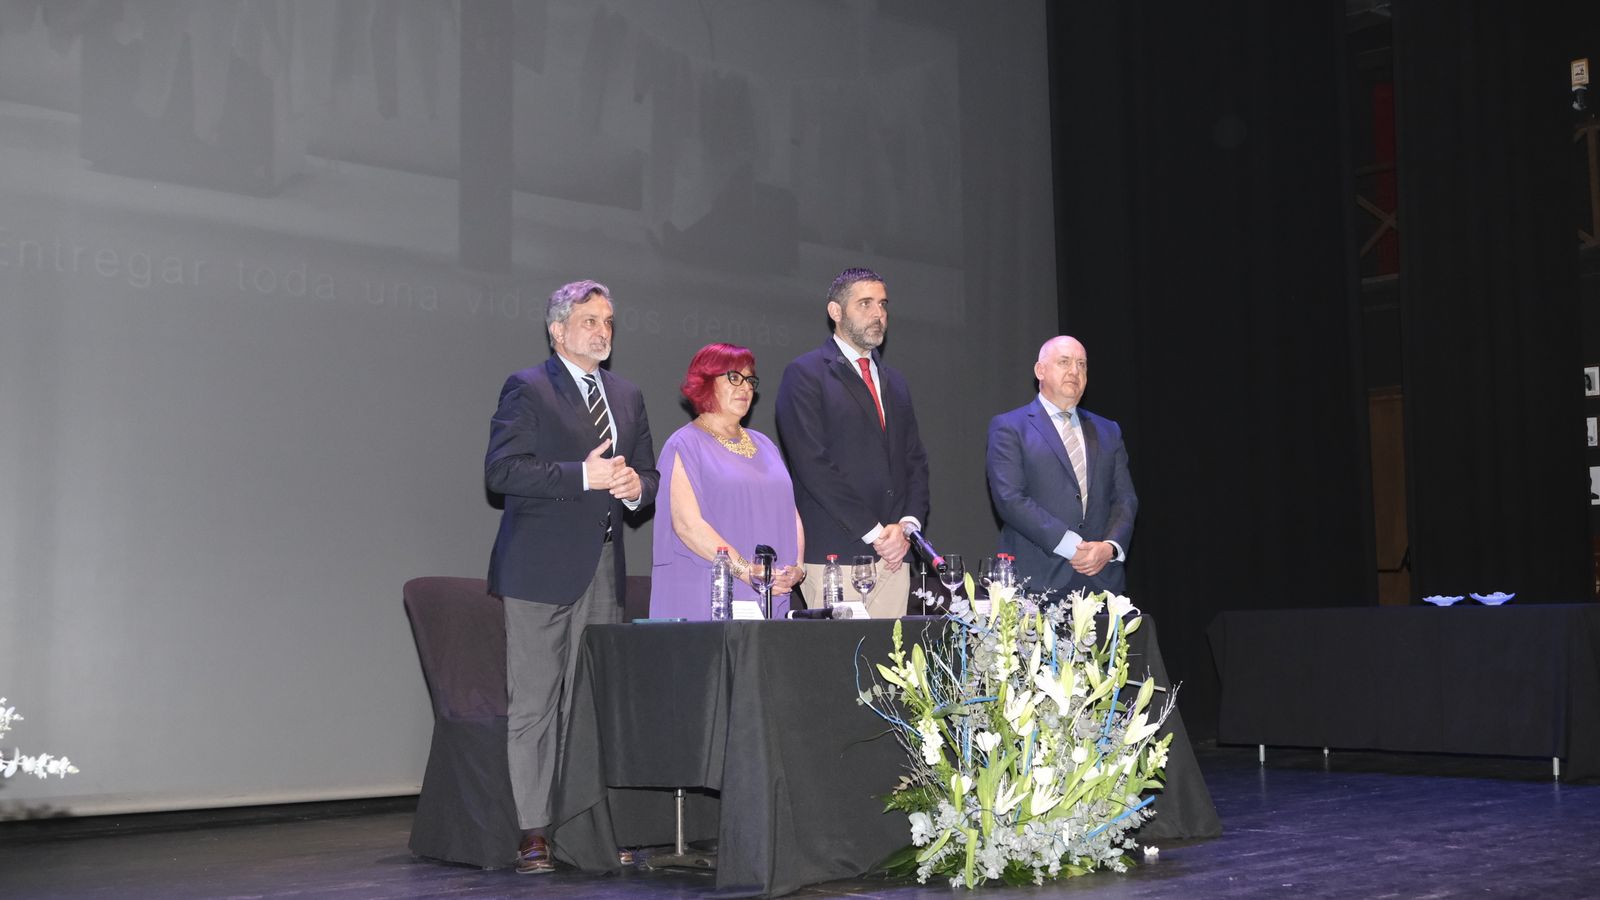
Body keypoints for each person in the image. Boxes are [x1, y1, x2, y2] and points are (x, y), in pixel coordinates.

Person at [483, 279, 658, 874]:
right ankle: (533, 829)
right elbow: (503, 471)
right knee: (535, 704)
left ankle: (589, 827)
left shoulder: (628, 395)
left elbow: (650, 473)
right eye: (589, 320)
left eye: (608, 320)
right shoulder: (528, 388)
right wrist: (582, 477)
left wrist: (638, 488)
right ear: (558, 330)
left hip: (604, 569)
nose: (602, 331)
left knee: (591, 706)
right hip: (538, 567)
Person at [775, 267, 931, 618]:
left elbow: (915, 461)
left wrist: (905, 527)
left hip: (894, 556)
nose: (878, 314)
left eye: (883, 305)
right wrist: (875, 534)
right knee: (837, 668)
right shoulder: (805, 374)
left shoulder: (896, 382)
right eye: (865, 304)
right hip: (835, 554)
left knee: (891, 666)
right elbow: (813, 465)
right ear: (836, 311)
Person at [651, 344, 804, 619]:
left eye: (750, 380)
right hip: (710, 593)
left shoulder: (766, 445)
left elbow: (790, 513)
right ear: (706, 382)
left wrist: (798, 568)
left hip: (772, 591)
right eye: (734, 377)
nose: (745, 387)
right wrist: (747, 571)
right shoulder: (684, 444)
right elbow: (688, 526)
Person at [985, 335, 1137, 598]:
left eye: (1082, 364)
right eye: (1064, 362)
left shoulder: (1108, 431)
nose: (1074, 371)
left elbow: (1125, 498)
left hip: (1102, 581)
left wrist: (1109, 547)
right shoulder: (1010, 427)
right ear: (1040, 370)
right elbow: (1010, 499)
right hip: (1038, 582)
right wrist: (1071, 545)